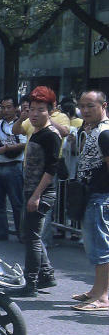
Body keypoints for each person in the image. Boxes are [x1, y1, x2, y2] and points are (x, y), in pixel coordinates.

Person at [13, 87, 61, 298]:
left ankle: (30, 282)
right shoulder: (37, 131)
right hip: (31, 190)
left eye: (40, 109)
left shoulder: (51, 135)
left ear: (51, 110)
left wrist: (36, 195)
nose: (34, 114)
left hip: (40, 192)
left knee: (31, 238)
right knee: (31, 234)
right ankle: (46, 274)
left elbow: (52, 169)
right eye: (31, 109)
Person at [70, 90, 109, 311]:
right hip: (90, 195)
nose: (85, 110)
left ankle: (103, 297)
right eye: (82, 106)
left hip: (100, 197)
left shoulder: (105, 133)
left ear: (104, 105)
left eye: (90, 106)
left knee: (101, 248)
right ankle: (96, 290)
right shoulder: (91, 130)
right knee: (95, 246)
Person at [0, 96, 26, 241]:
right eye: (3, 107)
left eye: (9, 107)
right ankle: (1, 232)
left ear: (15, 108)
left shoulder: (21, 124)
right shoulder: (0, 123)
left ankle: (22, 233)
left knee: (17, 202)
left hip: (14, 166)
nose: (6, 110)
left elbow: (24, 143)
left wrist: (7, 148)